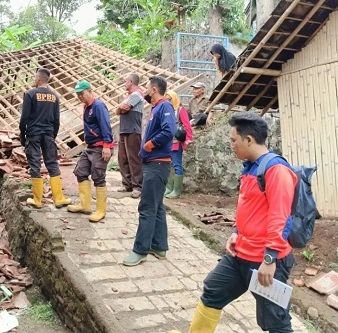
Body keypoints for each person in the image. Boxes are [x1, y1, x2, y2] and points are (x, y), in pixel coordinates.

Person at [171, 112, 297, 333]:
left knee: (276, 321)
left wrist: (269, 258)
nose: (231, 145)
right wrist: (236, 231)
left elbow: (281, 217)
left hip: (265, 262)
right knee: (213, 290)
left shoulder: (277, 171)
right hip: (240, 254)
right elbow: (249, 207)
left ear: (248, 140)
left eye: (233, 140)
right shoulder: (250, 166)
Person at [122, 76, 176, 266]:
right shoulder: (156, 108)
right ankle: (159, 246)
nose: (143, 90)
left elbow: (169, 131)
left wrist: (149, 145)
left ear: (154, 89)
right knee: (157, 206)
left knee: (146, 208)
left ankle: (140, 250)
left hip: (157, 164)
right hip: (155, 164)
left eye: (146, 87)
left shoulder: (164, 106)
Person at [19, 68, 71, 209]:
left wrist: (22, 135)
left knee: (35, 164)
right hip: (48, 134)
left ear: (38, 79)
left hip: (34, 134)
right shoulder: (55, 97)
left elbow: (24, 118)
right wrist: (52, 136)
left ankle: (37, 200)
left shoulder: (30, 94)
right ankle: (59, 199)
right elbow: (57, 121)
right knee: (52, 164)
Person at [67, 80, 114, 223]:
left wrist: (107, 145)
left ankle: (101, 210)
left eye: (82, 93)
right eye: (78, 95)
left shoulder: (98, 106)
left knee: (98, 176)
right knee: (80, 171)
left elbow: (105, 124)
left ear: (90, 91)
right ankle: (85, 205)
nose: (80, 96)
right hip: (90, 146)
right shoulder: (86, 107)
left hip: (100, 146)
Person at [116, 73, 144, 199]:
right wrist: (119, 108)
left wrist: (121, 108)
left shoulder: (137, 94)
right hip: (124, 129)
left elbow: (125, 108)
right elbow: (118, 111)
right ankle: (126, 183)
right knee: (123, 158)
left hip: (133, 130)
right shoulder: (128, 96)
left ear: (131, 82)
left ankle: (137, 186)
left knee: (134, 158)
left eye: (125, 81)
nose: (124, 83)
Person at [164, 91, 193, 199]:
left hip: (176, 142)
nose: (168, 101)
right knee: (168, 165)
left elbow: (187, 125)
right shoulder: (167, 111)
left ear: (174, 99)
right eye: (166, 99)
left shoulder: (180, 110)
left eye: (170, 99)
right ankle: (169, 188)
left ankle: (176, 190)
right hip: (168, 142)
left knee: (177, 165)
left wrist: (188, 139)